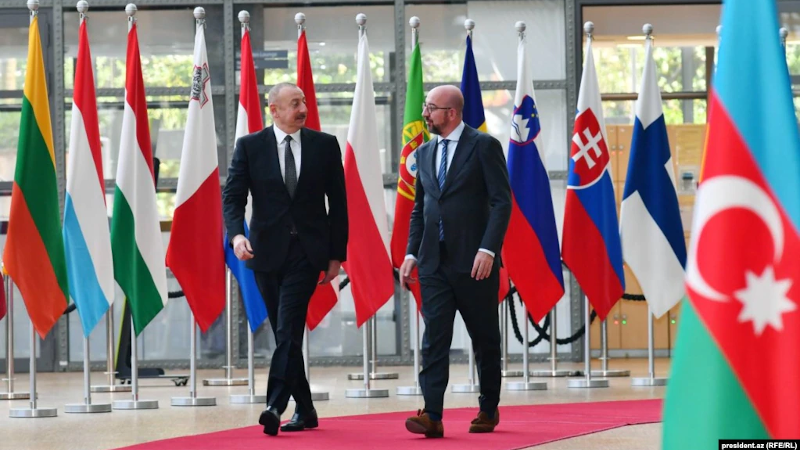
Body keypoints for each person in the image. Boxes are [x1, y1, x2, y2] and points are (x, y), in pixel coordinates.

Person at [222, 82, 347, 436]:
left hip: (308, 254)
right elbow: (233, 198)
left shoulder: (324, 145)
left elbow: (338, 204)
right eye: (294, 103)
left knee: (288, 325)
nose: (302, 107)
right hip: (265, 252)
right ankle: (306, 410)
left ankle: (275, 404)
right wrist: (237, 235)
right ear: (273, 110)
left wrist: (337, 255)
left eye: (304, 101)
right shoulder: (249, 147)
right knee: (285, 335)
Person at [400, 85, 511, 438]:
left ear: (452, 113)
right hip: (434, 263)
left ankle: (488, 407)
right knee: (435, 338)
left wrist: (488, 250)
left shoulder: (484, 146)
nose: (425, 114)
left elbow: (501, 202)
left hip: (475, 262)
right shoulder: (426, 152)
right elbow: (421, 208)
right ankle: (432, 413)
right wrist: (411, 253)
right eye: (425, 107)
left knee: (484, 339)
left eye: (431, 108)